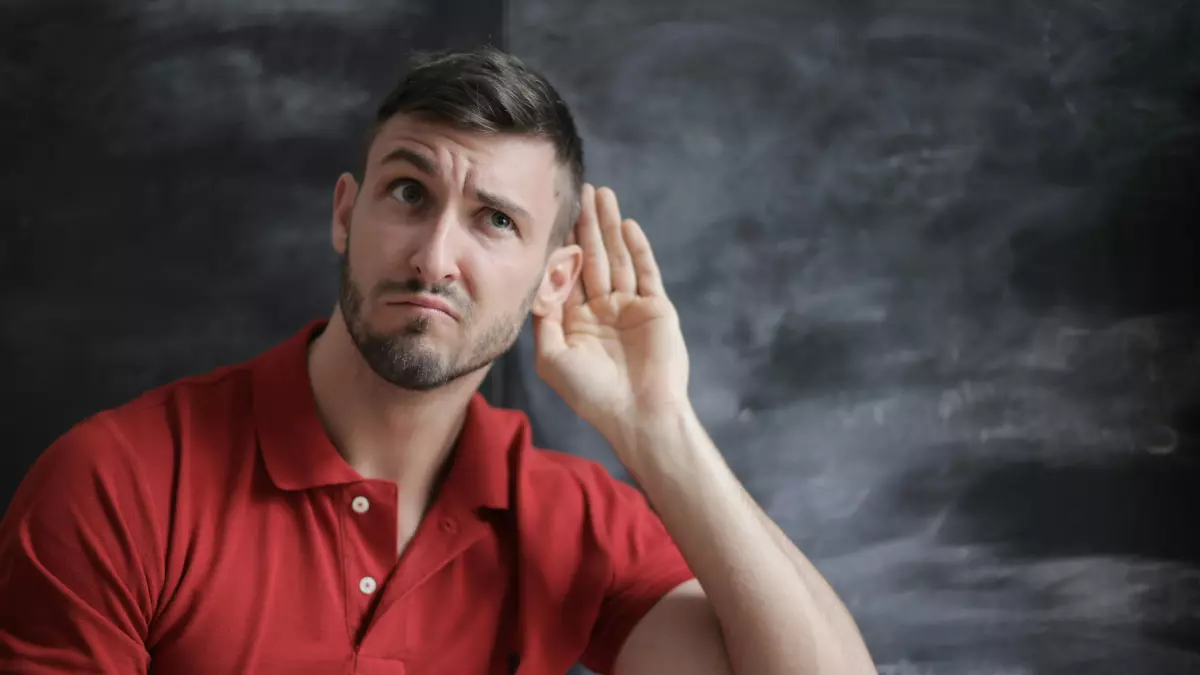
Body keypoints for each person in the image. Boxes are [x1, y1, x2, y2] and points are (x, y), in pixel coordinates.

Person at [0, 47, 874, 675]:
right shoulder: (117, 483)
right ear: (347, 214)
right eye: (409, 193)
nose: (432, 256)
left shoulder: (569, 521)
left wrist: (661, 429)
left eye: (495, 219)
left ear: (553, 277)